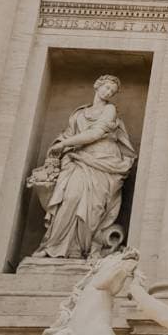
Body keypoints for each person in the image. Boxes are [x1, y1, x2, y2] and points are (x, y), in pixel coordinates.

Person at [30, 75, 136, 258]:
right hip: (77, 160)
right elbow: (67, 135)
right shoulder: (79, 114)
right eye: (106, 87)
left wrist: (64, 144)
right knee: (70, 197)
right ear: (97, 86)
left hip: (104, 162)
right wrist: (59, 145)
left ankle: (79, 250)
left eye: (112, 91)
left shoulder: (110, 109)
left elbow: (96, 133)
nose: (108, 92)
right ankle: (53, 246)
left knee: (94, 207)